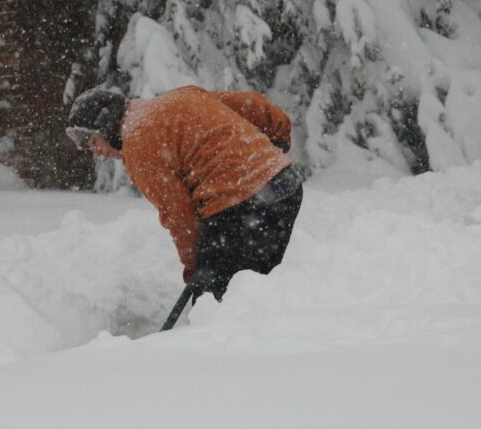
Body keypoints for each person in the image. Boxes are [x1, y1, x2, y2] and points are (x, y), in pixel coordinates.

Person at [65, 85, 303, 301]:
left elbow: (179, 214)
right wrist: (279, 132)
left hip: (240, 204)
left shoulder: (138, 144)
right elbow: (249, 104)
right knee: (257, 290)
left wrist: (196, 266)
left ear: (105, 124)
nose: (96, 151)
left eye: (92, 141)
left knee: (216, 305)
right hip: (285, 187)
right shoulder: (179, 98)